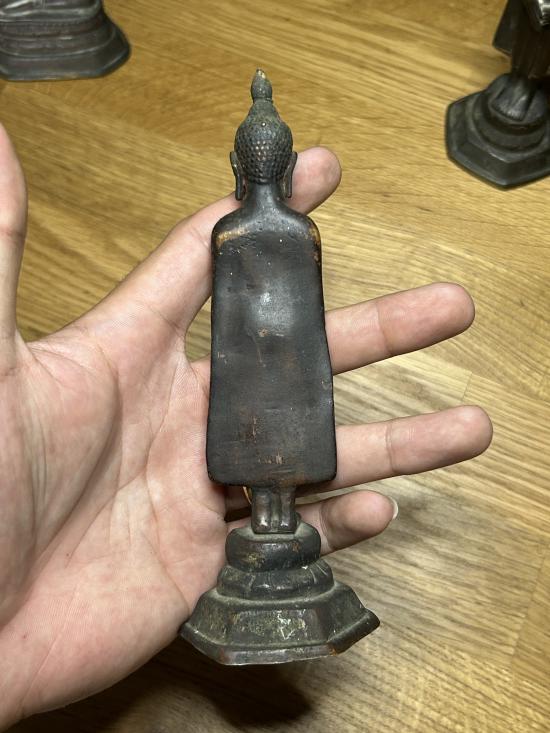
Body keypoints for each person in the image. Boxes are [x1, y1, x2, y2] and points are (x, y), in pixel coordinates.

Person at [0, 124, 492, 728]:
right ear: (284, 170)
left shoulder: (235, 233)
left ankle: (271, 521)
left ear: (240, 166)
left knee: (268, 430)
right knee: (278, 435)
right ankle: (274, 521)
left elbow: (273, 340)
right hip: (277, 401)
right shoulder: (292, 232)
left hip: (261, 405)